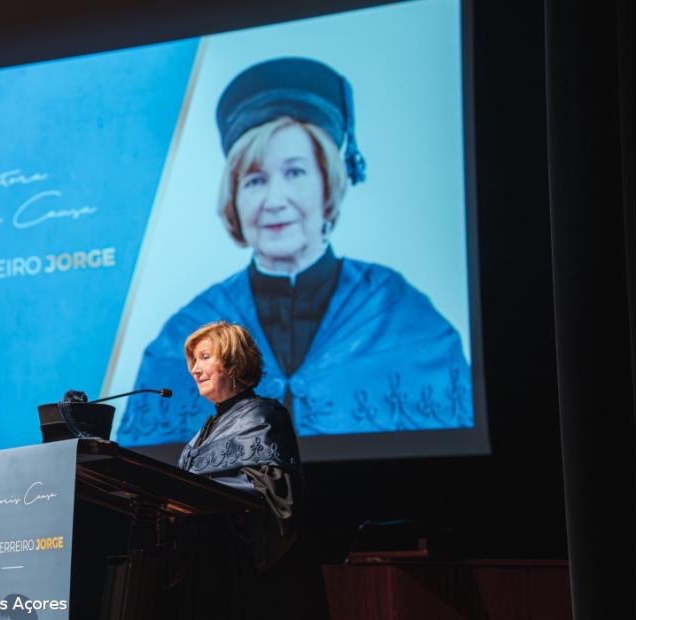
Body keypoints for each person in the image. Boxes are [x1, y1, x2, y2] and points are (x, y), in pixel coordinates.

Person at [118, 57, 472, 446]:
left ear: (328, 185)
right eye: (254, 180)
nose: (274, 200)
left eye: (295, 172)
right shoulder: (187, 333)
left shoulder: (400, 313)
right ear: (234, 200)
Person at [167, 320, 328, 619]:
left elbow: (275, 498)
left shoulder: (263, 415)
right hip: (207, 571)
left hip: (248, 581)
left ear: (232, 361)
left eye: (204, 357)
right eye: (193, 361)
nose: (194, 369)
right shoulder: (202, 433)